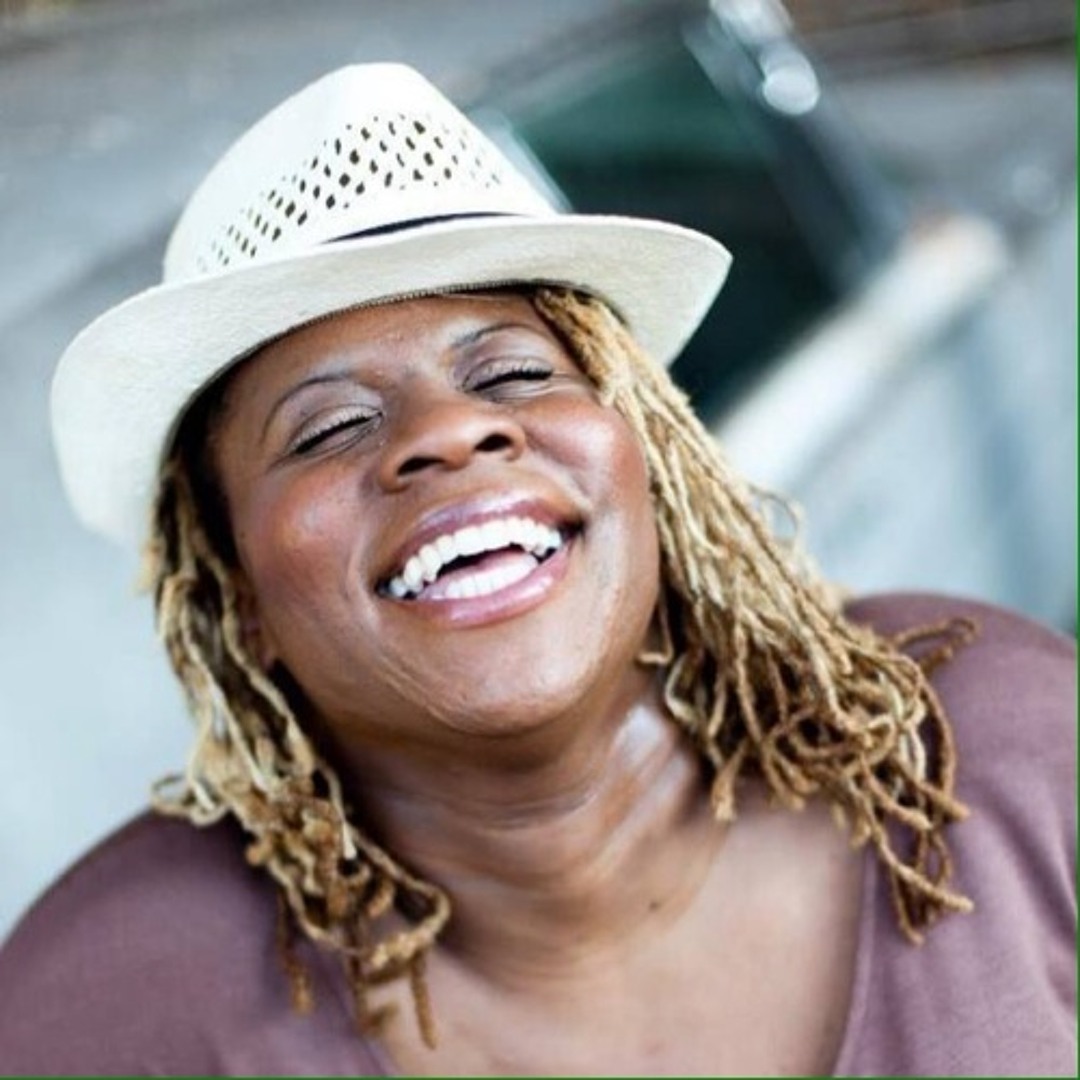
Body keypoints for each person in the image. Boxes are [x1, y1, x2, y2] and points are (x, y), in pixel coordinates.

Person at [0, 63, 1074, 1077]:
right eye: (327, 427)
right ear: (238, 599)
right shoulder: (110, 1007)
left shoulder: (997, 743)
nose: (449, 431)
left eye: (513, 372)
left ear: (654, 460)